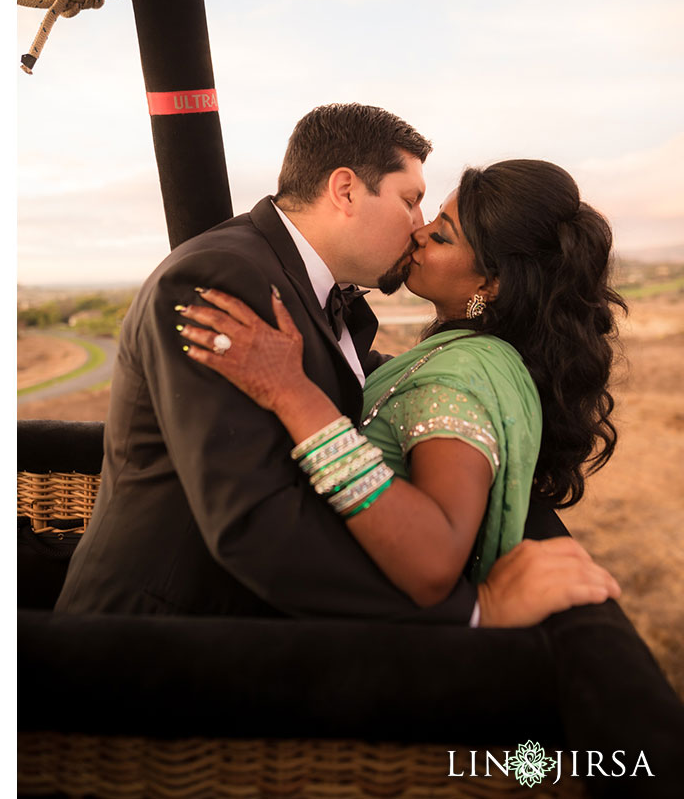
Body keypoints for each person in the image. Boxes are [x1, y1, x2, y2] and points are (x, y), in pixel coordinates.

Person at [55, 104, 617, 626]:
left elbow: (373, 380)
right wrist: (469, 613)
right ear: (346, 189)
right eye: (409, 199)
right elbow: (254, 523)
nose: (417, 226)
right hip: (151, 635)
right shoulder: (224, 282)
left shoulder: (313, 289)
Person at [177, 159, 624, 623]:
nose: (419, 233)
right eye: (427, 216)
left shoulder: (462, 376)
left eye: (442, 235)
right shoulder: (463, 356)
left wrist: (292, 393)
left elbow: (433, 561)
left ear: (490, 284)